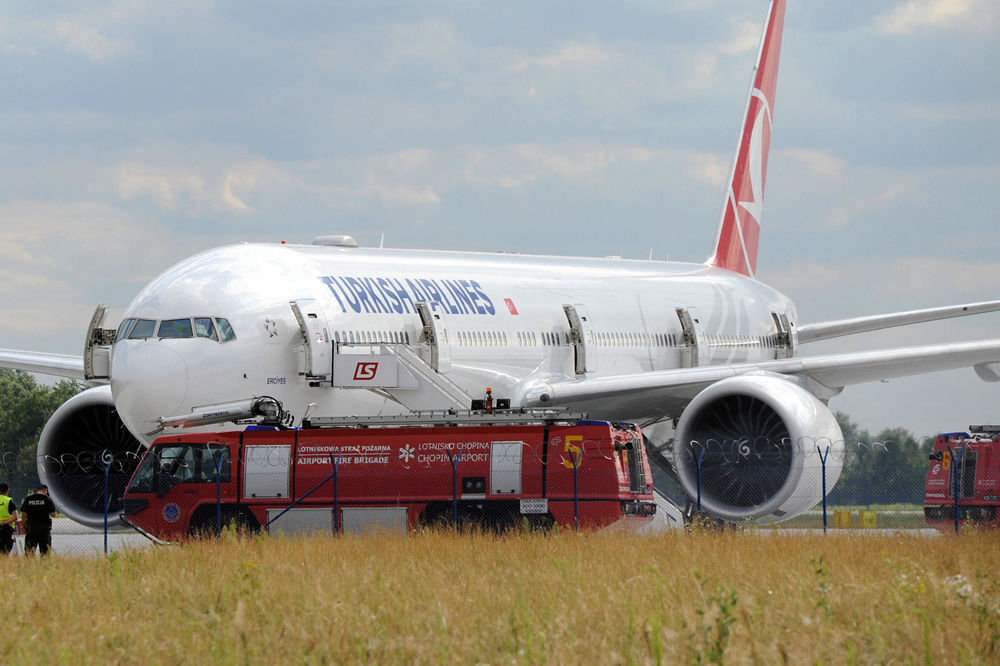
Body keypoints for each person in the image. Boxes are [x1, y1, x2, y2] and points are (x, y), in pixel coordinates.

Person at [19, 484, 56, 556]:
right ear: (45, 490)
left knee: (29, 551)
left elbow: (24, 515)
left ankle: (29, 565)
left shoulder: (29, 499)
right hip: (44, 528)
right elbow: (53, 515)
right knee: (45, 552)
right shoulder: (47, 499)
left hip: (31, 528)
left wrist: (23, 526)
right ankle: (44, 565)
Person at [0, 483, 18, 555]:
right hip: (6, 529)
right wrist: (4, 522)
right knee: (5, 552)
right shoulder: (9, 501)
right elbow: (15, 517)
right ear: (7, 491)